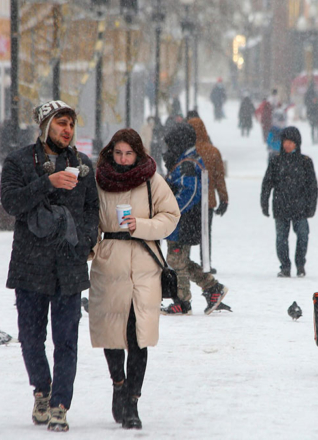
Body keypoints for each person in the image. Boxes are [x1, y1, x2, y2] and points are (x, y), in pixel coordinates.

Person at [0, 100, 99, 432]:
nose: (67, 130)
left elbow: (90, 209)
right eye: (60, 124)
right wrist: (48, 182)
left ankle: (59, 404)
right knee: (30, 337)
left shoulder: (83, 164)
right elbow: (12, 203)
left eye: (70, 124)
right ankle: (42, 390)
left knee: (66, 339)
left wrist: (84, 241)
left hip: (68, 265)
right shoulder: (18, 161)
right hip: (30, 263)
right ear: (45, 127)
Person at [89, 128, 180, 430]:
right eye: (118, 153)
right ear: (110, 153)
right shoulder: (99, 180)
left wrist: (140, 225)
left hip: (144, 263)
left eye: (129, 153)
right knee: (111, 332)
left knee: (137, 335)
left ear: (138, 153)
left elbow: (170, 216)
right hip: (109, 262)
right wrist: (89, 250)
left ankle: (133, 402)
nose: (124, 159)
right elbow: (89, 220)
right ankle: (118, 383)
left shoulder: (152, 179)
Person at [161, 122, 229, 315]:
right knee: (181, 260)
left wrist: (171, 210)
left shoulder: (188, 164)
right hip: (182, 222)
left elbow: (190, 192)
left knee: (176, 260)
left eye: (171, 145)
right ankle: (212, 288)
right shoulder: (187, 160)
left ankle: (182, 302)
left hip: (182, 222)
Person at [261, 126, 318, 278]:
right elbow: (267, 183)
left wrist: (311, 206)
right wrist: (264, 203)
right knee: (281, 239)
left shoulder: (305, 162)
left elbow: (313, 186)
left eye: (291, 142)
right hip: (281, 206)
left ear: (297, 143)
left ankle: (300, 265)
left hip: (301, 207)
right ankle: (285, 266)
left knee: (303, 235)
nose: (288, 144)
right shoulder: (276, 161)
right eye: (285, 141)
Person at [188, 117, 229, 274]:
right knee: (206, 233)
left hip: (189, 200)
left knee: (187, 234)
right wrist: (224, 198)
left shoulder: (186, 152)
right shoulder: (213, 151)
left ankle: (185, 262)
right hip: (208, 200)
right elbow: (219, 178)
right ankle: (206, 262)